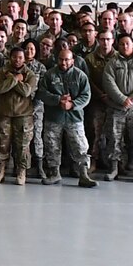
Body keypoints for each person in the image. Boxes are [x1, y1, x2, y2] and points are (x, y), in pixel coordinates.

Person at [99, 33, 133, 184]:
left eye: (127, 44)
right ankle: (114, 168)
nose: (124, 46)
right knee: (114, 139)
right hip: (117, 108)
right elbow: (108, 82)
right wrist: (122, 99)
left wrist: (132, 99)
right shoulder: (112, 63)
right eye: (122, 44)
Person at [37, 44, 95, 187]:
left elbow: (86, 95)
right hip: (54, 117)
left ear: (72, 61)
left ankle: (83, 174)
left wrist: (73, 104)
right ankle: (54, 173)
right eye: (61, 59)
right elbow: (42, 93)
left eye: (67, 60)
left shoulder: (80, 76)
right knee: (52, 145)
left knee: (80, 146)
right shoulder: (50, 75)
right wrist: (58, 100)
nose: (64, 63)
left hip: (74, 118)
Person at [0, 47, 37, 187]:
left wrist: (12, 81)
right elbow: (0, 89)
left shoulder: (30, 74)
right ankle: (0, 171)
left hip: (23, 115)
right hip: (4, 113)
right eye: (14, 57)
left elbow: (27, 91)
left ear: (24, 58)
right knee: (2, 143)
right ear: (10, 58)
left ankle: (21, 171)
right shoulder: (1, 72)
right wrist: (15, 79)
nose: (17, 60)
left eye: (20, 57)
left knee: (22, 145)